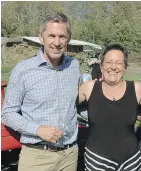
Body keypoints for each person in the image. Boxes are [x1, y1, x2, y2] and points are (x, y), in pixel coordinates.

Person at [1, 12, 81, 171]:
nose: (57, 42)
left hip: (69, 155)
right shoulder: (23, 70)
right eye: (51, 36)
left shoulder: (74, 66)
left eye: (62, 36)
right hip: (37, 157)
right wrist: (38, 130)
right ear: (41, 37)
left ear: (68, 39)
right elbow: (7, 113)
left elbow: (77, 103)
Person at [78, 44, 141, 171]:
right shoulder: (88, 88)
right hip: (96, 160)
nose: (113, 67)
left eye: (119, 63)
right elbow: (65, 108)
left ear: (125, 67)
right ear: (101, 65)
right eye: (109, 62)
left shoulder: (138, 89)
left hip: (130, 160)